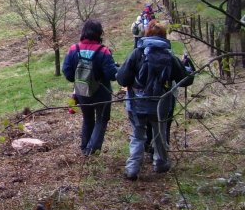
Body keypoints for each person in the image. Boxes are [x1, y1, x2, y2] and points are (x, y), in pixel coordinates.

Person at [116, 20, 194, 180]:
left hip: (137, 104)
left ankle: (132, 169)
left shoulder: (137, 54)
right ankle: (160, 163)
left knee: (138, 135)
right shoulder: (169, 56)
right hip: (161, 105)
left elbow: (122, 79)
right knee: (160, 133)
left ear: (146, 35)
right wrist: (189, 68)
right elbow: (186, 80)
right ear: (164, 36)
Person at [62, 19, 118, 155]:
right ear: (99, 33)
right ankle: (92, 150)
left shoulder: (74, 49)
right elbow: (112, 75)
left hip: (82, 92)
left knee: (87, 119)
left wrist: (79, 79)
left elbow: (67, 72)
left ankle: (84, 148)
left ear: (84, 32)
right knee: (102, 119)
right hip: (102, 93)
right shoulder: (104, 51)